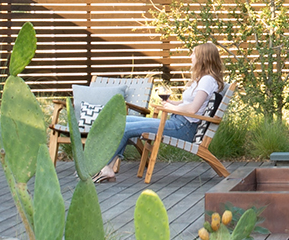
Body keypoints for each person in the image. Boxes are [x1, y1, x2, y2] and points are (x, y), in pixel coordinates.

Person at [93, 42, 224, 183]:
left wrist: (171, 108)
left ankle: (106, 167)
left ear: (203, 58)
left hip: (183, 128)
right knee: (124, 121)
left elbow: (193, 109)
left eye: (194, 53)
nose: (191, 56)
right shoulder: (202, 80)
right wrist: (172, 103)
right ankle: (108, 167)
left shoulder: (207, 80)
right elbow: (188, 103)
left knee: (125, 127)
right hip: (178, 122)